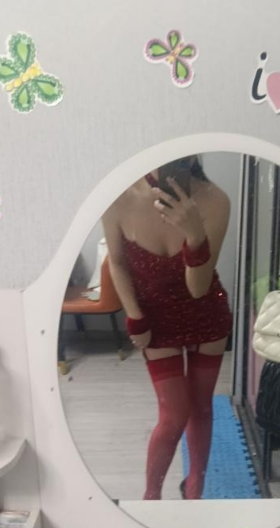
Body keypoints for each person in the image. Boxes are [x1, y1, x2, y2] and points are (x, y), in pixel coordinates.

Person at [102, 156, 232, 500]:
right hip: (154, 320)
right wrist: (135, 317)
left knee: (201, 407)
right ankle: (151, 497)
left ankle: (195, 488)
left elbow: (198, 289)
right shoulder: (117, 197)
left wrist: (195, 234)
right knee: (174, 415)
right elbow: (116, 262)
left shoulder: (215, 201)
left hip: (206, 314)